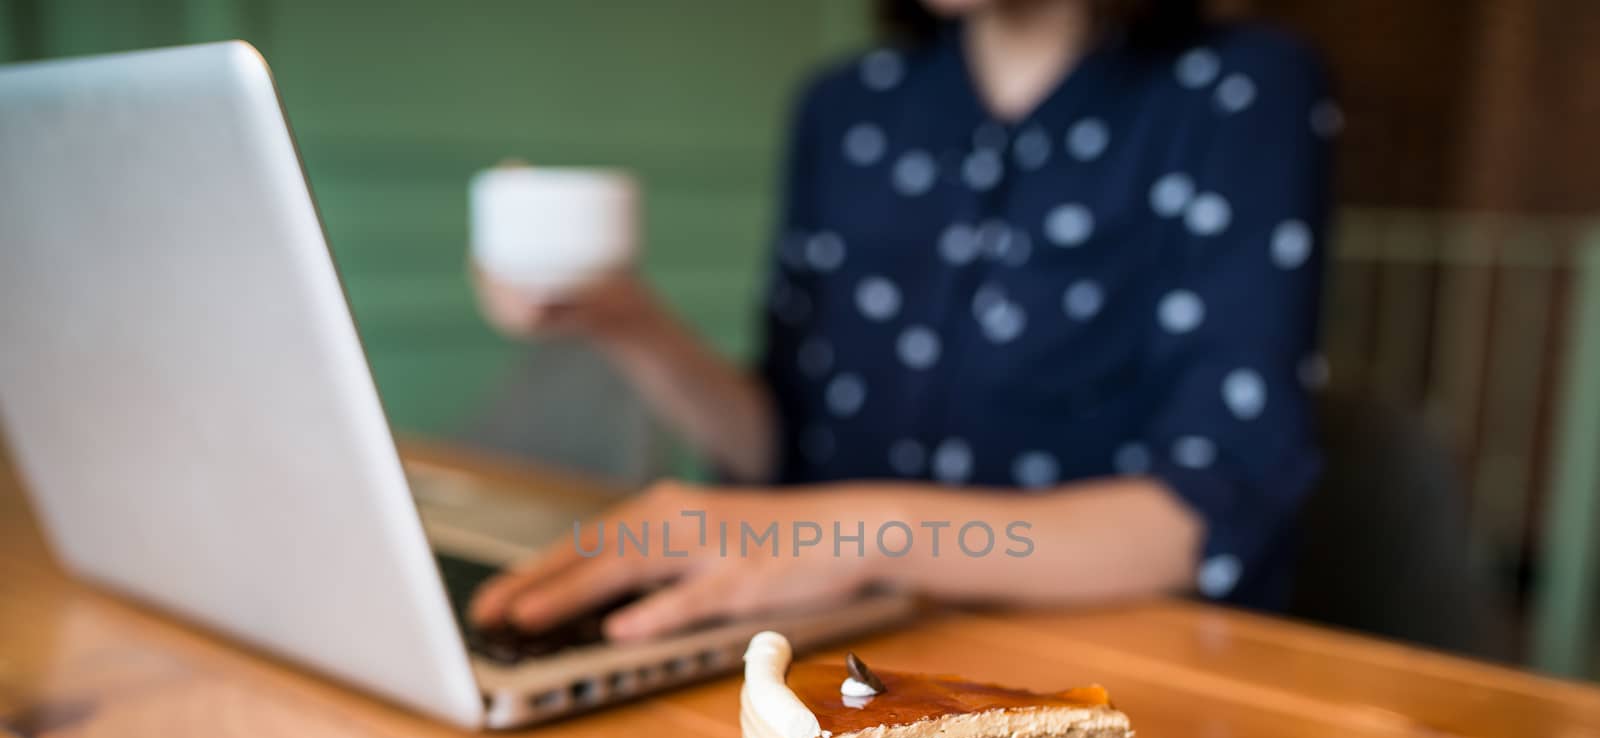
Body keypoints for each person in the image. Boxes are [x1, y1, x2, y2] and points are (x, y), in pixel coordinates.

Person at [469, 0, 1335, 641]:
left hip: (1101, 669)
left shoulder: (1239, 93)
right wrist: (625, 319)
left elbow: (1204, 517)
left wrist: (855, 535)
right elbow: (781, 444)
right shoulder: (846, 109)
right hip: (831, 645)